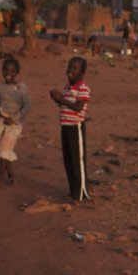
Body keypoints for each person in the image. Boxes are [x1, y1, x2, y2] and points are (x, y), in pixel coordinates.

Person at [50, 57, 90, 200]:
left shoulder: (83, 87)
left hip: (76, 127)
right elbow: (64, 105)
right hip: (65, 126)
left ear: (82, 72)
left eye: (75, 68)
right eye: (69, 67)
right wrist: (56, 99)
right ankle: (73, 190)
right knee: (67, 159)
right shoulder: (67, 87)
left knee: (77, 160)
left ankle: (81, 192)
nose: (70, 71)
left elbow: (79, 107)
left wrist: (62, 100)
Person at [0, 57, 31, 187]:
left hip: (14, 124)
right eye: (6, 70)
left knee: (4, 149)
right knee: (4, 150)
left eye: (12, 71)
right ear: (2, 71)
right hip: (1, 123)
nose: (8, 73)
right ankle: (11, 175)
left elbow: (26, 106)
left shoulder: (21, 88)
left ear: (17, 72)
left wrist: (14, 119)